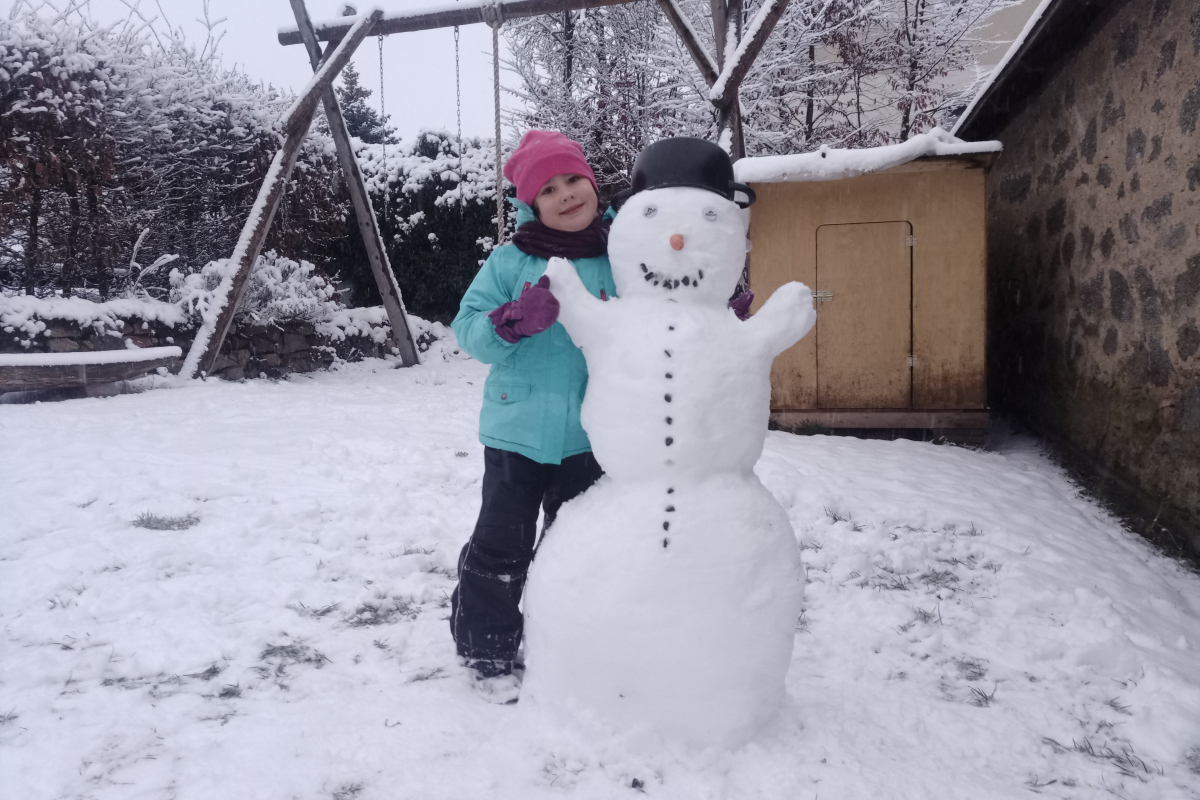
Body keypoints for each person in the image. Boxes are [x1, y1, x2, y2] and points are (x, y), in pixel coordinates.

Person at [449, 130, 616, 703]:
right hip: (516, 431)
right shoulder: (511, 259)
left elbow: (665, 312)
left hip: (593, 435)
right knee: (502, 545)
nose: (566, 194)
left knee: (575, 548)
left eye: (573, 180)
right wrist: (512, 320)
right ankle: (487, 652)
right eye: (549, 189)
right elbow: (467, 326)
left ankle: (565, 644)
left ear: (592, 184)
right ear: (530, 204)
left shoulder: (622, 256)